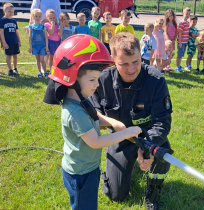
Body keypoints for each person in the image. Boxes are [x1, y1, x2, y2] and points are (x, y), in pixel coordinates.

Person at [43, 34, 142, 209]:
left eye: (97, 79)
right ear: (71, 79)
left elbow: (94, 114)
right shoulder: (74, 112)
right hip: (81, 173)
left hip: (88, 167)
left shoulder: (81, 99)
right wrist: (126, 133)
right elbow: (95, 142)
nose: (97, 85)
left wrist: (111, 122)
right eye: (92, 80)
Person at [90, 32, 172, 210]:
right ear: (112, 59)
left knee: (164, 154)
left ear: (140, 54)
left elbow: (162, 121)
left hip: (149, 137)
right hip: (120, 139)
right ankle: (120, 169)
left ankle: (153, 191)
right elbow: (91, 111)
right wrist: (111, 123)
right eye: (124, 64)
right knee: (116, 194)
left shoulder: (156, 80)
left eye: (136, 62)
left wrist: (148, 149)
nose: (131, 69)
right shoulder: (102, 80)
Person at [0, 3, 21, 76]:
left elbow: (16, 32)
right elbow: (1, 32)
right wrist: (4, 43)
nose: (11, 13)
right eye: (9, 11)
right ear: (4, 10)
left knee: (15, 56)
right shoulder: (2, 20)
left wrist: (19, 41)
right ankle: (10, 70)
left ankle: (15, 69)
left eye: (12, 12)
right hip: (8, 42)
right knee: (8, 56)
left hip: (15, 41)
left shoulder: (14, 20)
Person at [28, 9, 49, 78]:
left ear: (41, 17)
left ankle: (45, 71)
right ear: (33, 17)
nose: (38, 18)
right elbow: (30, 37)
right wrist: (30, 47)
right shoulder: (31, 27)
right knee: (37, 59)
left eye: (39, 16)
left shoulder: (43, 27)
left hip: (42, 46)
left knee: (42, 60)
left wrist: (47, 46)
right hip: (35, 46)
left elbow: (46, 37)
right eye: (36, 16)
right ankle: (40, 72)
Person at [45, 9, 60, 76]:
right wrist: (53, 25)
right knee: (51, 57)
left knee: (57, 56)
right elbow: (51, 33)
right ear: (47, 18)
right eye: (50, 18)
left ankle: (56, 68)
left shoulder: (57, 24)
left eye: (54, 18)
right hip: (51, 42)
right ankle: (51, 70)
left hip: (58, 42)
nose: (52, 19)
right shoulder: (47, 24)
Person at [175, 7, 190, 73]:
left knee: (182, 55)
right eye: (186, 14)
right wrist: (180, 42)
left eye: (189, 14)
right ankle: (177, 67)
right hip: (181, 42)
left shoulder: (187, 22)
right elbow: (180, 33)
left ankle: (179, 65)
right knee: (179, 55)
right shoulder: (182, 23)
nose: (187, 15)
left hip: (185, 42)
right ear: (182, 14)